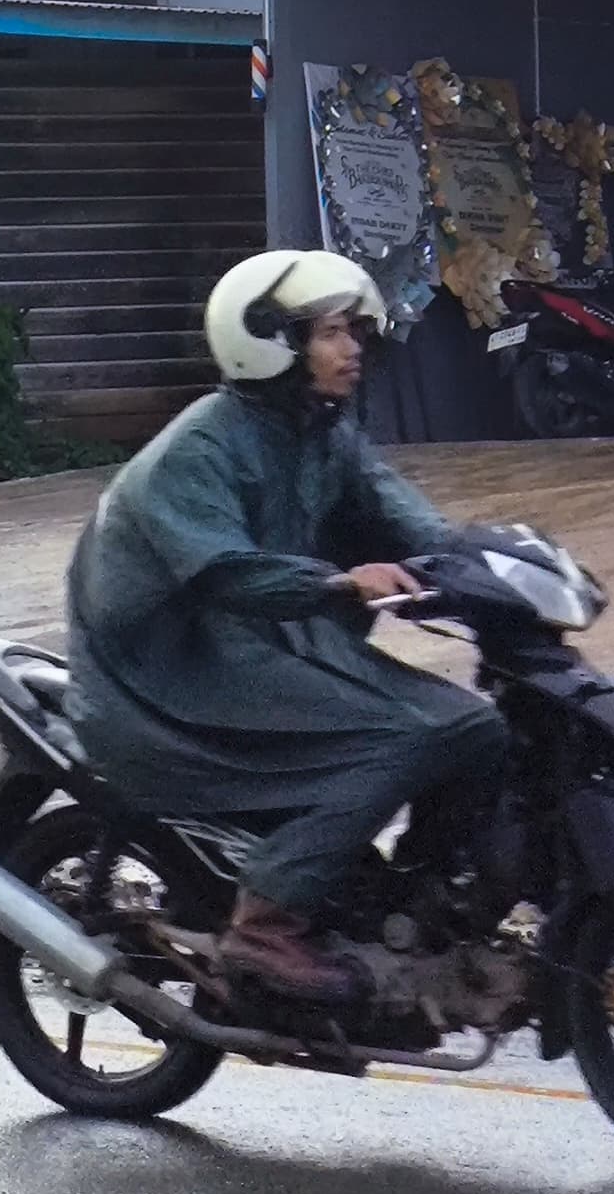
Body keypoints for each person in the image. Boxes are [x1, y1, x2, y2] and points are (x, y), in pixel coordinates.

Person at [61, 248, 502, 1007]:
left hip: (264, 647)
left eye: (352, 331)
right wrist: (338, 581)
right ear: (270, 341)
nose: (352, 348)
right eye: (331, 332)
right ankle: (265, 922)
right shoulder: (195, 448)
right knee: (407, 731)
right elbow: (227, 574)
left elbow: (402, 514)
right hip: (171, 674)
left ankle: (415, 898)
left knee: (478, 725)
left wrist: (484, 565)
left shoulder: (322, 432)